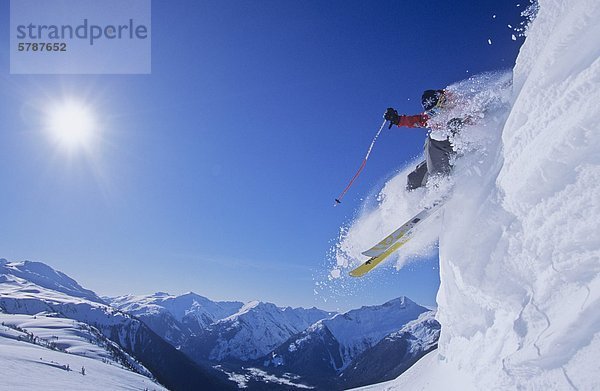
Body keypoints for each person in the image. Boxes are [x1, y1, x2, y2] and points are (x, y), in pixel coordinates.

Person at [384, 89, 469, 190]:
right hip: (445, 152)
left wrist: (462, 123)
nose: (436, 114)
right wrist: (397, 119)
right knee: (414, 179)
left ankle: (440, 186)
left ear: (442, 100)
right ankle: (413, 201)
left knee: (432, 141)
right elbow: (416, 120)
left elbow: (479, 115)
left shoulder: (459, 104)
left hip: (462, 147)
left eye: (436, 109)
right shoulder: (432, 118)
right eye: (432, 113)